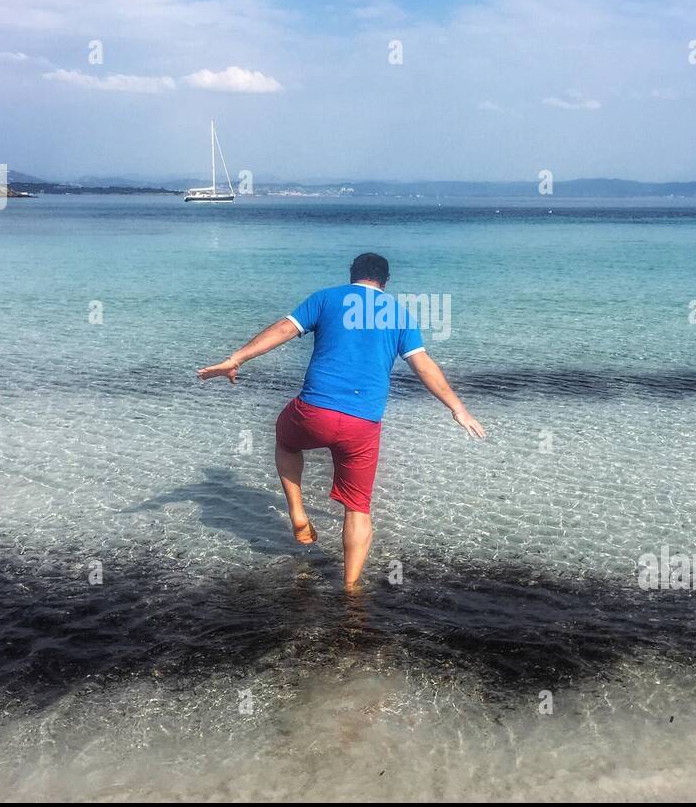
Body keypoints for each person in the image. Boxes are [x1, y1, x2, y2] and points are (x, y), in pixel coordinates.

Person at [198, 252, 485, 588]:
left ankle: (297, 513)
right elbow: (423, 366)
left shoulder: (326, 298)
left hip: (313, 413)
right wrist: (457, 407)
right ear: (386, 282)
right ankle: (350, 590)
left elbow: (281, 330)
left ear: (352, 275)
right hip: (362, 426)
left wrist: (236, 359)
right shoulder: (399, 313)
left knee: (286, 439)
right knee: (359, 507)